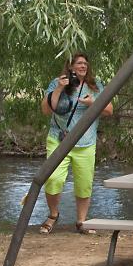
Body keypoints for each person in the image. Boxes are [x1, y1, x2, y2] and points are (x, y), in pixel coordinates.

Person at [38, 53, 113, 234]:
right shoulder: (57, 83)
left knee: (84, 183)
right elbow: (46, 110)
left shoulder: (95, 85)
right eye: (79, 63)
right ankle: (53, 215)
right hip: (59, 139)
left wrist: (92, 103)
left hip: (85, 142)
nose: (83, 66)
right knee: (54, 179)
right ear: (70, 66)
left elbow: (109, 110)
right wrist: (58, 89)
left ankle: (81, 222)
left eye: (85, 63)